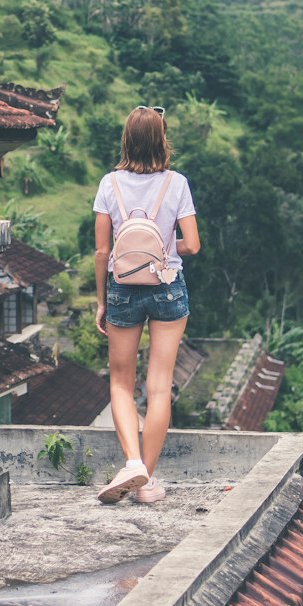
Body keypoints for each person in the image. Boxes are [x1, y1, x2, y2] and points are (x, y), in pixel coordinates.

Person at [92, 106, 200, 505]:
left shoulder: (109, 184)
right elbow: (193, 243)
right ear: (161, 139)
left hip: (122, 288)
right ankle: (148, 483)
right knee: (158, 387)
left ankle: (132, 462)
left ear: (126, 140)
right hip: (168, 284)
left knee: (120, 382)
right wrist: (164, 248)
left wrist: (102, 301)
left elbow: (103, 250)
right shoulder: (177, 183)